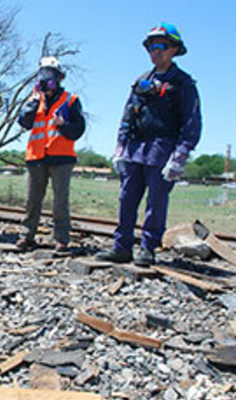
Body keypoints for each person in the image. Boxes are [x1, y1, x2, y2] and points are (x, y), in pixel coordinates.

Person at [96, 22, 202, 267]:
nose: (156, 52)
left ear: (174, 49)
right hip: (135, 148)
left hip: (162, 149)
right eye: (152, 47)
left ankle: (147, 248)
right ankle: (121, 247)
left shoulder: (183, 84)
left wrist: (180, 155)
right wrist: (120, 147)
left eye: (162, 47)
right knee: (127, 199)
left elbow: (192, 122)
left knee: (156, 201)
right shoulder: (141, 80)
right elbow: (127, 116)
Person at [16, 56, 86, 251]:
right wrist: (33, 102)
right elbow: (24, 123)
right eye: (43, 74)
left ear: (59, 77)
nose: (46, 79)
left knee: (60, 202)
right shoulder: (34, 99)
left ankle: (61, 239)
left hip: (61, 158)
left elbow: (78, 130)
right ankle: (26, 235)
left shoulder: (70, 100)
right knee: (31, 200)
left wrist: (63, 125)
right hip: (36, 157)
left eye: (50, 74)